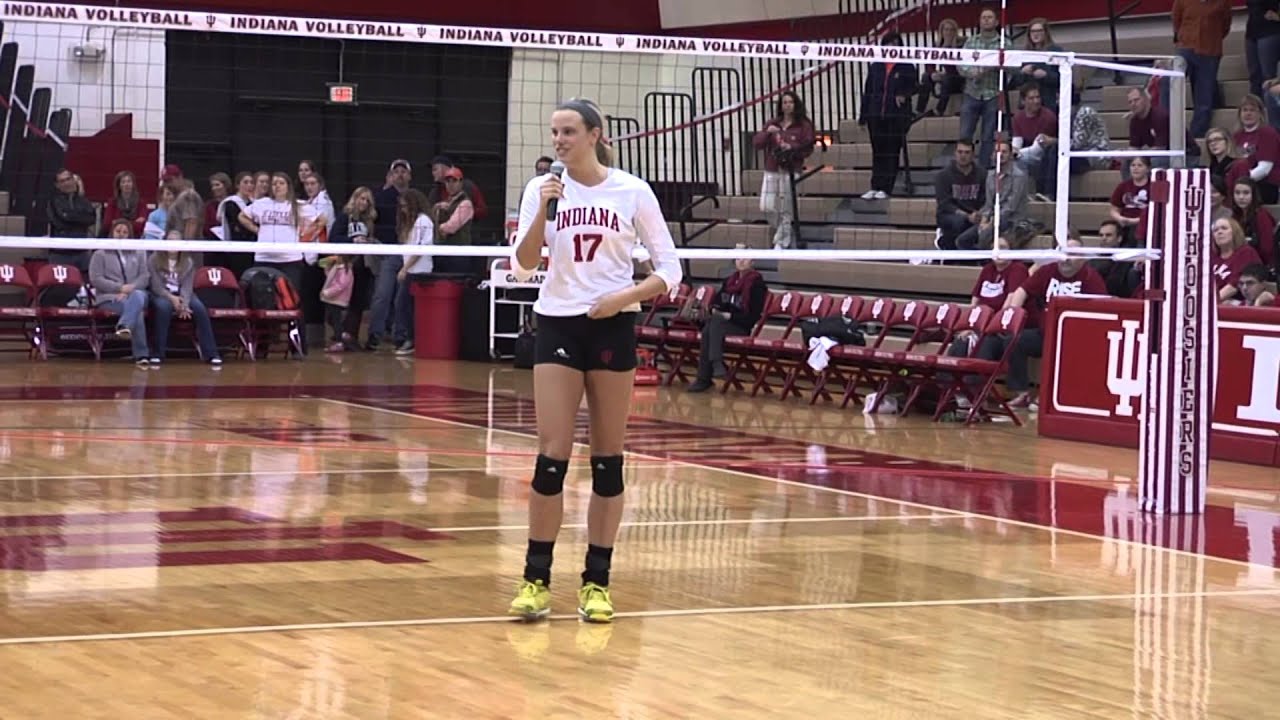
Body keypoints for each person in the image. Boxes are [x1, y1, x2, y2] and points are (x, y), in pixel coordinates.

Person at [507, 98, 682, 623]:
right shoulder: (544, 189)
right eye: (554, 131)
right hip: (558, 321)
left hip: (611, 324)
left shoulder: (632, 190)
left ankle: (596, 584)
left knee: (608, 461)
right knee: (551, 456)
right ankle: (535, 580)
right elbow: (522, 266)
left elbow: (670, 269)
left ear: (595, 135)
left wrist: (625, 297)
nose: (558, 140)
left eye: (568, 131)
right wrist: (544, 208)